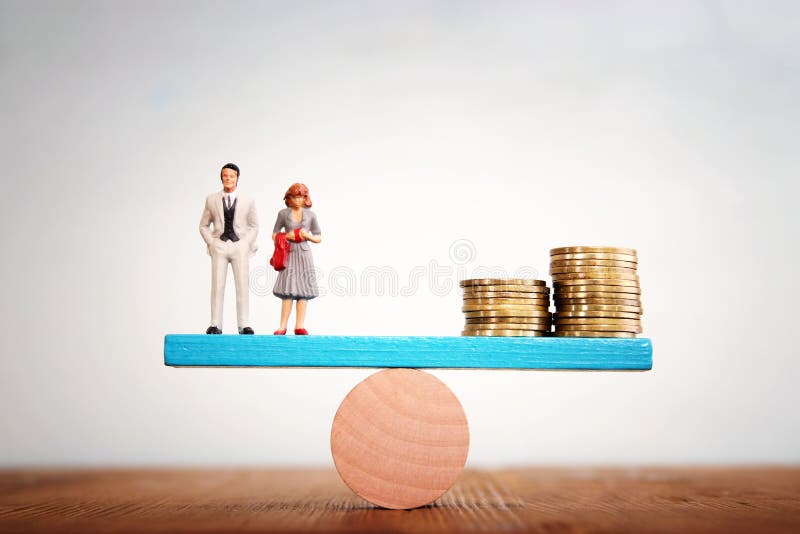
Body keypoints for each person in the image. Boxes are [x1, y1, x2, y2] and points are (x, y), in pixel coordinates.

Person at [199, 163, 259, 334]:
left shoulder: (248, 200)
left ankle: (244, 323)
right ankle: (215, 323)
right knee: (217, 285)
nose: (228, 179)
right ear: (221, 177)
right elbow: (203, 225)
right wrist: (211, 242)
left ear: (237, 178)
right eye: (225, 176)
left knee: (242, 285)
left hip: (239, 246)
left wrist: (246, 243)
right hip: (220, 245)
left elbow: (254, 226)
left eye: (231, 176)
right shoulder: (211, 199)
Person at [271, 183, 322, 335]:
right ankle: (282, 326)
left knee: (303, 292)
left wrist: (308, 236)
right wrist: (286, 236)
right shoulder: (282, 214)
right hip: (289, 253)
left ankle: (299, 325)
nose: (297, 200)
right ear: (289, 198)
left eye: (300, 197)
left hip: (304, 253)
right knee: (288, 291)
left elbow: (319, 236)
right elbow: (274, 234)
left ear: (305, 198)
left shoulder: (311, 215)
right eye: (294, 197)